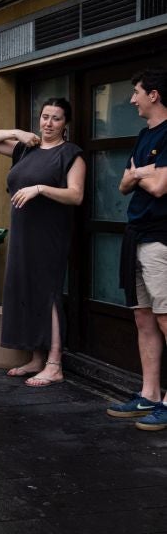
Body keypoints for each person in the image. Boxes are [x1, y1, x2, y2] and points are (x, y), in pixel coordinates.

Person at [0, 98, 85, 387]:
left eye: (56, 118)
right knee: (25, 288)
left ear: (66, 124)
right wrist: (17, 132)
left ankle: (54, 363)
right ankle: (37, 358)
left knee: (46, 292)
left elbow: (76, 195)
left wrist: (40, 188)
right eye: (45, 116)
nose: (48, 123)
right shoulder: (26, 149)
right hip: (22, 230)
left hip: (49, 232)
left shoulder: (71, 154)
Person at [111, 68, 167, 431]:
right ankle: (149, 393)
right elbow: (123, 184)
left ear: (154, 95)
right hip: (136, 237)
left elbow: (161, 186)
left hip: (162, 240)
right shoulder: (144, 135)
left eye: (136, 92)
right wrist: (139, 174)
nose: (132, 100)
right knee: (143, 318)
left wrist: (141, 174)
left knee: (165, 319)